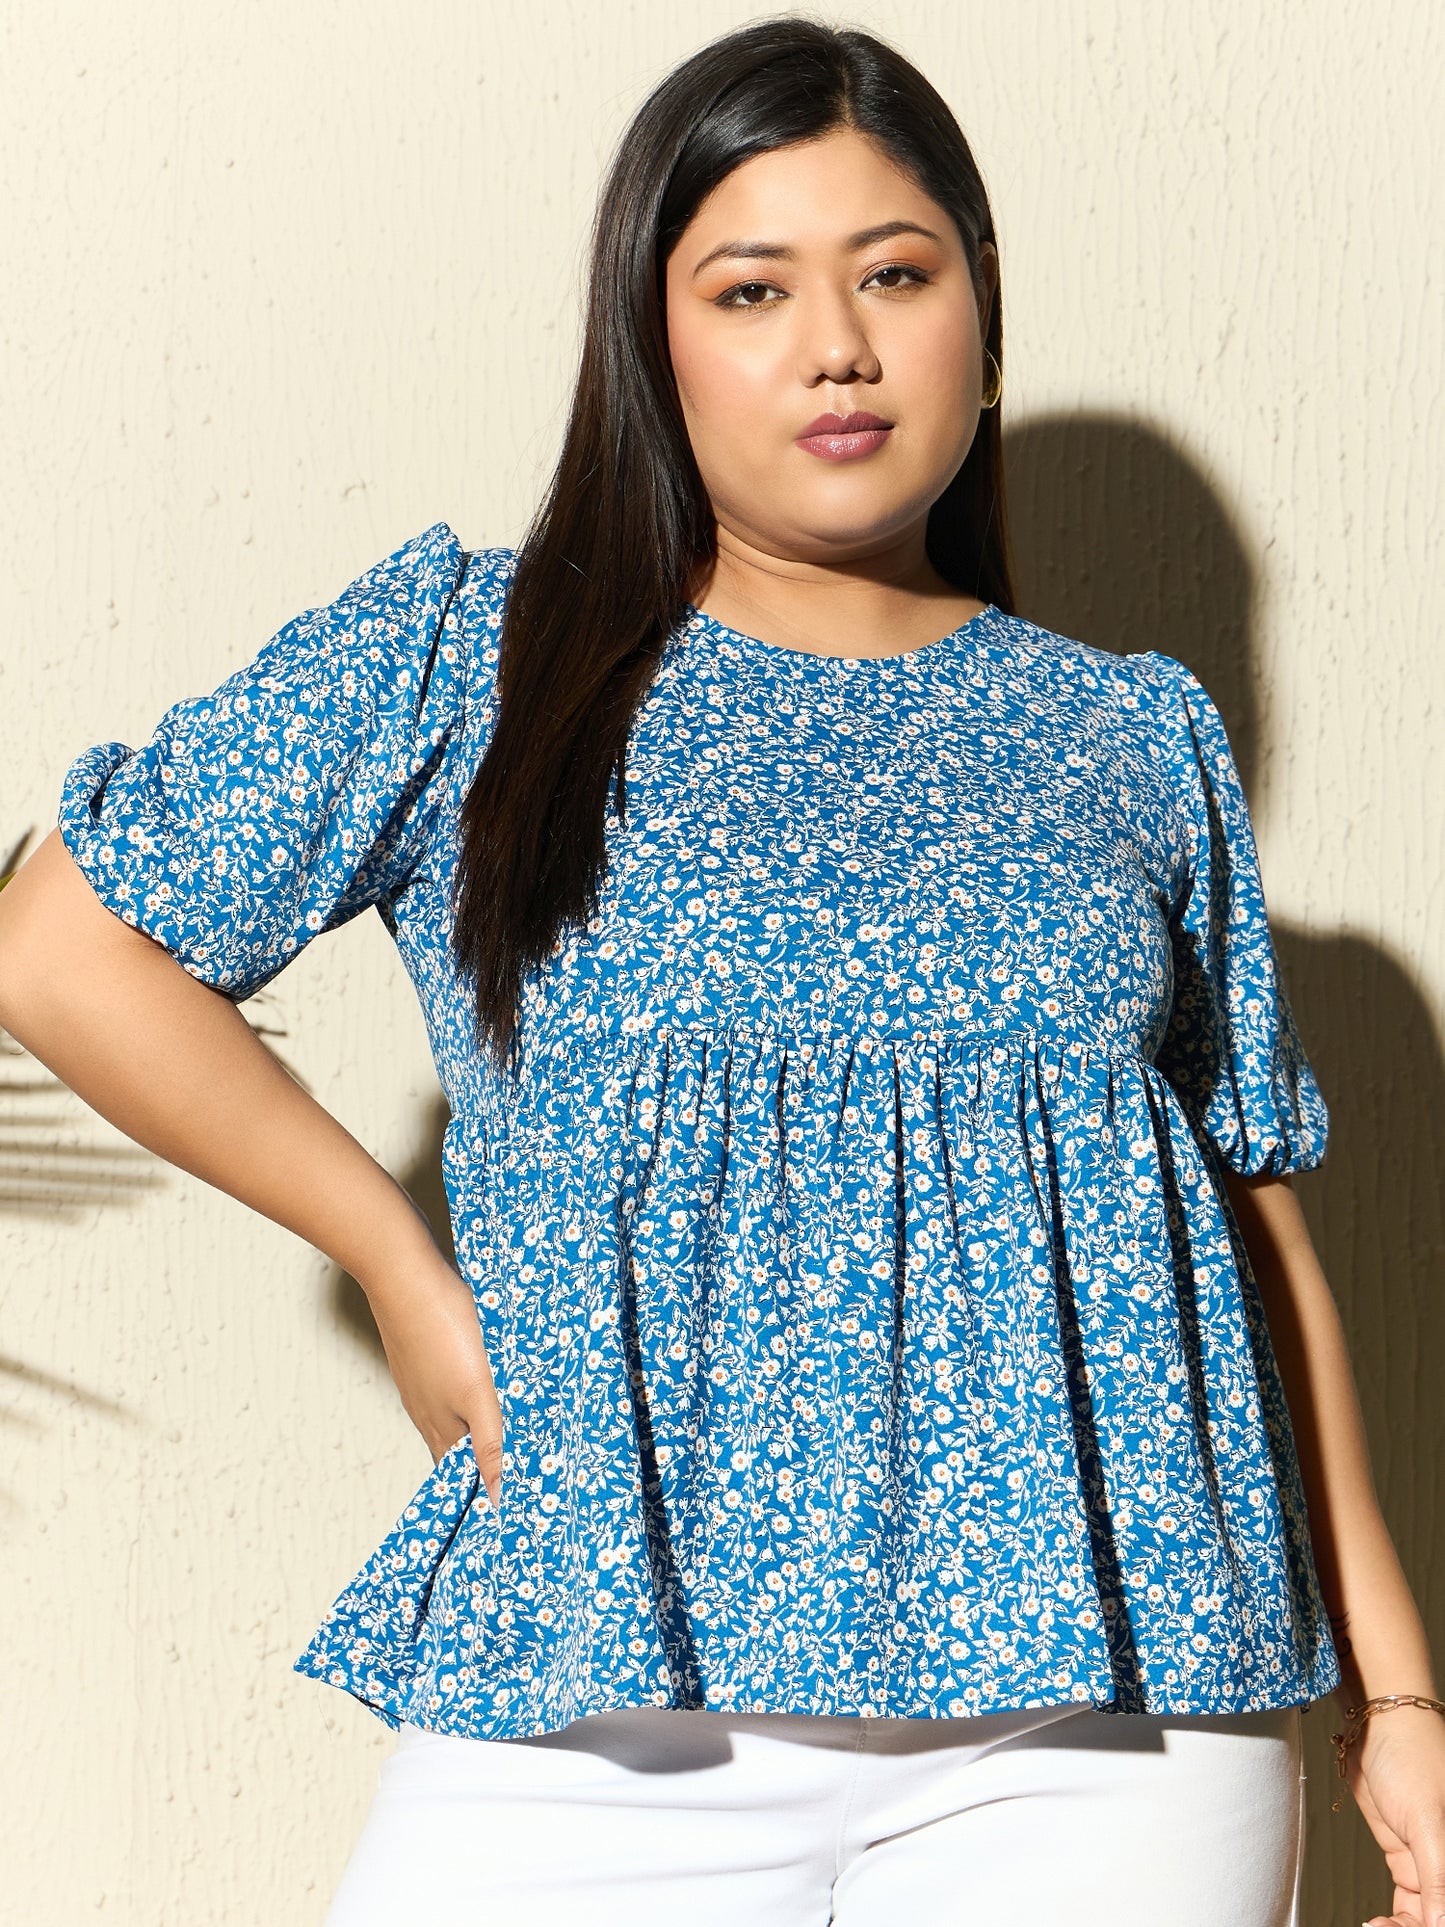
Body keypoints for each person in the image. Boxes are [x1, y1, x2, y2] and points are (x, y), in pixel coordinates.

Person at [1, 15, 1441, 1926]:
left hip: (1110, 1726)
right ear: (651, 335)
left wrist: (1395, 1695)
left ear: (979, 306)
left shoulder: (1129, 734)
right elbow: (65, 946)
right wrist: (402, 1271)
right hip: (600, 1686)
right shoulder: (474, 657)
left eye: (894, 276)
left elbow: (1249, 1228)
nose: (836, 346)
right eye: (751, 289)